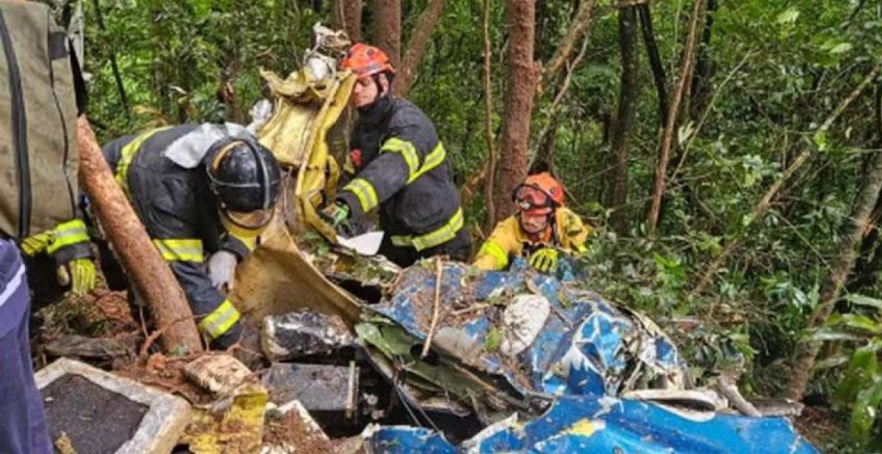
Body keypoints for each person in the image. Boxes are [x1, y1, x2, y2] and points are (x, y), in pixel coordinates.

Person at [100, 123, 281, 352]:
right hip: (126, 188)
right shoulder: (167, 190)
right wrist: (236, 339)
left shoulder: (252, 167)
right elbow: (182, 274)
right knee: (153, 273)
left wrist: (231, 250)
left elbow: (251, 216)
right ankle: (154, 337)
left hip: (184, 188)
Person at [321, 43, 470, 267]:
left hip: (441, 246)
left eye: (363, 83)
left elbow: (391, 169)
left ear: (383, 83)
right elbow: (351, 174)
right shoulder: (364, 129)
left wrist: (347, 203)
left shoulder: (409, 124)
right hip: (399, 244)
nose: (356, 91)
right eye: (352, 84)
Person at [473, 172, 592, 273]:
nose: (530, 221)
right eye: (526, 214)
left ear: (551, 213)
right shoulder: (507, 229)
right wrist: (476, 272)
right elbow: (490, 256)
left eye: (537, 216)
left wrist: (561, 256)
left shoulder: (568, 220)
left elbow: (588, 260)